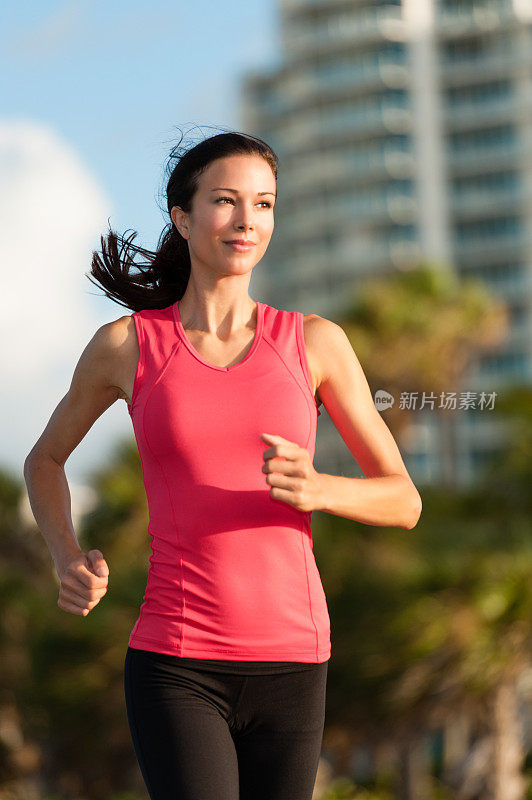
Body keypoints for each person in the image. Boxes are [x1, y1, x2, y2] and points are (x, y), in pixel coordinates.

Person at [23, 128, 422, 800]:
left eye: (264, 204)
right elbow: (45, 460)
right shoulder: (127, 346)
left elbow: (403, 501)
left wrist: (319, 488)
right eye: (227, 201)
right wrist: (66, 557)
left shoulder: (315, 343)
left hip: (295, 659)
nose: (247, 221)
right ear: (183, 218)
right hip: (176, 661)